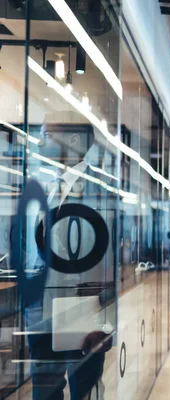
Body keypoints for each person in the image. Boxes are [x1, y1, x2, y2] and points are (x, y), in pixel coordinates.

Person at [16, 116, 115, 400]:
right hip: (39, 303)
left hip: (79, 303)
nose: (40, 141)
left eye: (46, 135)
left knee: (84, 384)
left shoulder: (101, 187)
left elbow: (106, 259)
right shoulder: (43, 186)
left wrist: (102, 321)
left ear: (72, 141)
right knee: (45, 385)